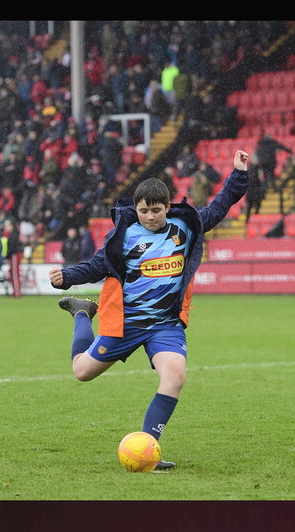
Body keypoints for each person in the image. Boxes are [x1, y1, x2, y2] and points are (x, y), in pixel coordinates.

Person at [47, 149, 250, 470]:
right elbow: (97, 266)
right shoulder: (124, 236)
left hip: (165, 325)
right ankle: (83, 313)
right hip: (127, 323)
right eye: (143, 211)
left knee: (175, 377)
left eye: (156, 210)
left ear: (168, 207)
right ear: (136, 208)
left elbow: (220, 206)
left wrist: (238, 174)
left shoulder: (186, 226)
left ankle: (147, 448)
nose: (150, 217)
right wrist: (67, 277)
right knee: (81, 372)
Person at [3, 218, 24, 297]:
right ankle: (15, 291)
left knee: (15, 274)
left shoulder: (14, 235)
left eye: (7, 225)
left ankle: (17, 292)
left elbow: (12, 248)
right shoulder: (12, 234)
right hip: (12, 255)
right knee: (12, 273)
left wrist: (8, 254)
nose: (5, 227)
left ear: (12, 226)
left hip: (14, 255)